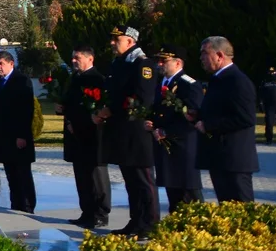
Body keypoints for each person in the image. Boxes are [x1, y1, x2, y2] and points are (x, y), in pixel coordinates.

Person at [96, 25, 159, 239]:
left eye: (117, 39)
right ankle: (136, 221)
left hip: (137, 132)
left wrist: (111, 109)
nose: (113, 43)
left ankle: (150, 223)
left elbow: (142, 99)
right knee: (131, 181)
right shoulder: (120, 64)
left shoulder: (143, 65)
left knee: (144, 180)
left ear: (130, 41)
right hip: (123, 131)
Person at [194, 36, 259, 202]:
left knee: (241, 211)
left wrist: (208, 125)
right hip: (220, 158)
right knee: (227, 212)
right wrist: (197, 116)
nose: (201, 58)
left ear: (219, 55)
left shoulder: (237, 81)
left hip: (234, 160)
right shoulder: (219, 80)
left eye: (204, 53)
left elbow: (245, 118)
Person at [56, 45, 109, 229]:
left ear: (90, 59)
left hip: (91, 135)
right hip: (75, 136)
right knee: (82, 177)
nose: (73, 61)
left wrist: (78, 122)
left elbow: (97, 108)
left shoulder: (97, 79)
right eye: (72, 57)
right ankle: (86, 212)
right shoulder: (74, 78)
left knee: (96, 177)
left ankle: (100, 213)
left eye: (77, 57)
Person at [148, 45, 204, 214]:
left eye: (164, 60)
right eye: (158, 60)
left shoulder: (188, 84)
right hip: (165, 144)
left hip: (183, 144)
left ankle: (196, 226)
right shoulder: (161, 83)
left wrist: (167, 131)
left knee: (188, 191)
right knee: (172, 190)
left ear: (178, 63)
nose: (159, 64)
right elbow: (157, 110)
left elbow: (192, 116)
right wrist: (152, 125)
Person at [0, 51, 35, 213]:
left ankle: (28, 206)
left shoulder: (22, 81)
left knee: (23, 174)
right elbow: (0, 108)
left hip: (18, 136)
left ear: (11, 63)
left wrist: (22, 135)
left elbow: (26, 110)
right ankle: (16, 204)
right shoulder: (0, 82)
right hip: (4, 136)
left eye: (1, 63)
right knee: (11, 173)